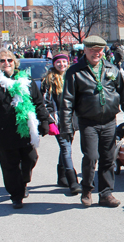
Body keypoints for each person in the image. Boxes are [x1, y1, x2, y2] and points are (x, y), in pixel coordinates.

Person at [60, 35, 124, 207]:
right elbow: (67, 101)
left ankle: (106, 193)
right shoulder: (75, 71)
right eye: (92, 50)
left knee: (108, 158)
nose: (96, 53)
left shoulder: (112, 69)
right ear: (85, 50)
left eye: (99, 50)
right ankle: (87, 189)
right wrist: (66, 126)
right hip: (88, 122)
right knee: (91, 157)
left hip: (109, 121)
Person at [0, 48, 50, 209]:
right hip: (5, 132)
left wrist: (44, 121)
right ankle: (16, 196)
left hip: (25, 130)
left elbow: (38, 102)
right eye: (2, 61)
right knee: (10, 166)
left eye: (9, 60)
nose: (6, 63)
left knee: (31, 158)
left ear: (15, 62)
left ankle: (23, 182)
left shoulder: (26, 80)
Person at [40, 52, 81, 195]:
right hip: (58, 120)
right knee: (66, 148)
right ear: (53, 64)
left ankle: (62, 176)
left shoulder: (72, 77)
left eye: (64, 62)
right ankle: (72, 181)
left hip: (72, 120)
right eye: (58, 62)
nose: (61, 64)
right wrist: (50, 120)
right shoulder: (48, 81)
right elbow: (45, 103)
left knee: (66, 147)